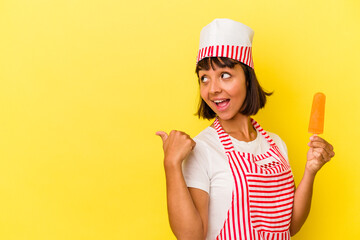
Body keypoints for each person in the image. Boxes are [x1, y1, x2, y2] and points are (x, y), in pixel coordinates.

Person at [156, 18, 335, 240]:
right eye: (204, 78)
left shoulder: (276, 144)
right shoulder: (202, 148)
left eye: (224, 75)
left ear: (247, 79)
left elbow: (289, 227)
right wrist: (171, 164)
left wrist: (311, 170)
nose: (212, 89)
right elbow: (190, 237)